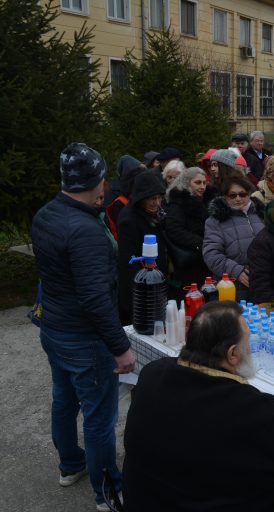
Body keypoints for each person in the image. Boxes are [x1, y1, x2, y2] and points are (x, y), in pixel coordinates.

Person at [122, 301, 274, 512]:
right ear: (232, 354)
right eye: (248, 341)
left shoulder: (153, 373)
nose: (251, 349)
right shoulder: (245, 404)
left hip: (145, 501)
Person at [31, 143, 135, 511]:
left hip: (54, 328)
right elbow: (94, 299)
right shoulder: (85, 229)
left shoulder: (46, 214)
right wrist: (120, 347)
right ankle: (107, 492)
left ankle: (70, 465)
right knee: (99, 417)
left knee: (63, 399)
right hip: (83, 337)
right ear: (98, 181)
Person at [117, 171, 169, 324]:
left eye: (159, 198)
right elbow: (129, 262)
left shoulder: (152, 214)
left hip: (155, 282)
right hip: (141, 289)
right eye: (152, 199)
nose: (157, 203)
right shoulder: (129, 219)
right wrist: (144, 291)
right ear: (141, 198)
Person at [203, 174, 265, 301]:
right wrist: (237, 271)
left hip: (262, 283)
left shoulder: (260, 214)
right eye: (232, 195)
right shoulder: (215, 221)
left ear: (249, 194)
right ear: (225, 196)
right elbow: (211, 254)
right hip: (231, 285)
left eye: (242, 194)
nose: (238, 198)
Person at [164, 166, 214, 292]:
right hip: (189, 260)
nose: (202, 186)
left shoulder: (205, 201)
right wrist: (201, 243)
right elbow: (174, 230)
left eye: (204, 183)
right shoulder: (178, 203)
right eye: (197, 182)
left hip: (204, 258)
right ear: (186, 183)